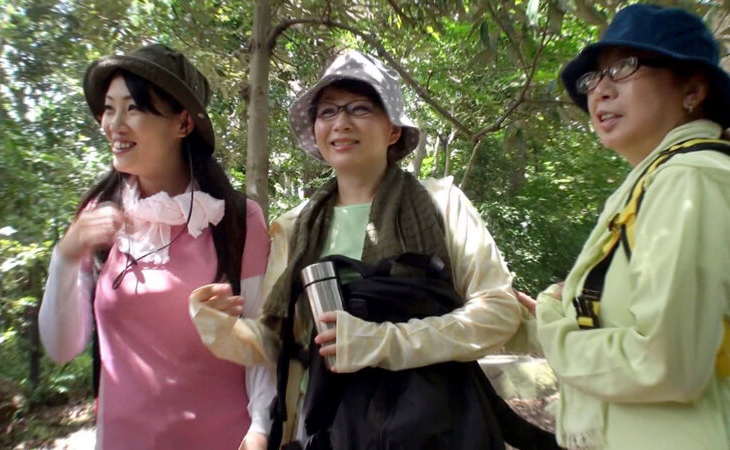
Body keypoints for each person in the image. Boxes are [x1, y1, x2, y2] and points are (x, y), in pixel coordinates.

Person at [189, 50, 522, 447]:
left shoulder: (443, 205)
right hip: (329, 428)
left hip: (433, 426)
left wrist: (380, 342)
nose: (341, 122)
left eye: (360, 108)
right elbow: (282, 343)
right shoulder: (296, 227)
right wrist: (220, 328)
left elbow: (498, 313)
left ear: (393, 130)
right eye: (327, 112)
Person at [511, 4, 730, 449]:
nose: (600, 90)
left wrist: (553, 325)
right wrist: (531, 321)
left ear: (692, 89)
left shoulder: (689, 179)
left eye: (625, 67)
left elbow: (667, 366)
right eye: (593, 78)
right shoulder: (654, 182)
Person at [38, 44, 273, 450]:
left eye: (133, 108)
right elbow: (61, 348)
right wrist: (65, 256)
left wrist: (261, 431)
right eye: (108, 109)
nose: (114, 124)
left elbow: (260, 342)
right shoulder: (97, 216)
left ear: (183, 122)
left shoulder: (236, 220)